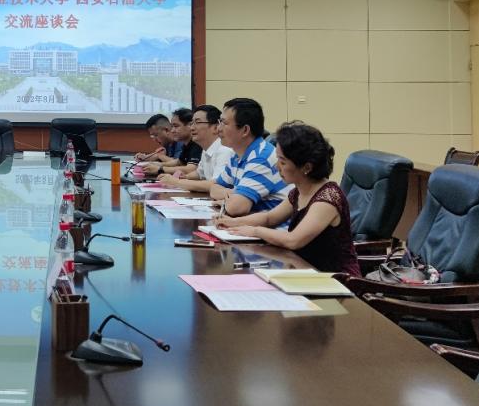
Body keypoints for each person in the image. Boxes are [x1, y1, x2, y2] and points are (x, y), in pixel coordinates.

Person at [215, 122, 360, 276]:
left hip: (337, 280)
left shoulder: (328, 198)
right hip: (304, 272)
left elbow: (293, 240)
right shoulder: (298, 191)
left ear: (307, 167)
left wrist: (255, 231)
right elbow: (269, 218)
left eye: (282, 162)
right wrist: (233, 222)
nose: (276, 166)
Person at [210, 98, 289, 216]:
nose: (218, 129)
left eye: (224, 123)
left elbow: (236, 208)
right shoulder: (236, 155)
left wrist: (231, 197)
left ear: (245, 130)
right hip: (251, 222)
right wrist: (235, 193)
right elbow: (213, 189)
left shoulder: (261, 157)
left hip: (273, 226)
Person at [154, 105, 230, 192]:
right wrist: (184, 177)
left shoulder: (224, 151)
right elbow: (199, 173)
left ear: (215, 127)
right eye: (192, 123)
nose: (192, 128)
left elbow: (216, 185)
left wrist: (177, 182)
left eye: (197, 122)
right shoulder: (206, 148)